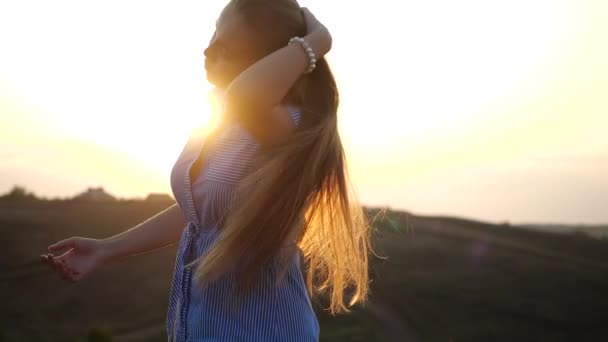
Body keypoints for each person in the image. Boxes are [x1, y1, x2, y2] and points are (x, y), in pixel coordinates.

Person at [40, 1, 372, 341]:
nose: (208, 49)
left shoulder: (292, 125)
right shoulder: (217, 127)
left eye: (225, 46)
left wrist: (318, 41)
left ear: (269, 61)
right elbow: (200, 213)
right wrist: (106, 248)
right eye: (214, 34)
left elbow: (246, 96)